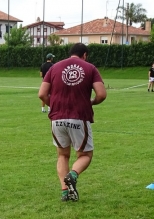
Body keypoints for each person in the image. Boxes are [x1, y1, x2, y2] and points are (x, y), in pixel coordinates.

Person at [38, 43, 107, 202]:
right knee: (85, 155)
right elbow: (101, 94)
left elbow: (42, 94)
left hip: (57, 118)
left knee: (62, 155)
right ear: (85, 55)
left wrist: (54, 105)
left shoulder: (54, 68)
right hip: (78, 117)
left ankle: (65, 192)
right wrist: (91, 102)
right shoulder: (90, 68)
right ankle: (73, 175)